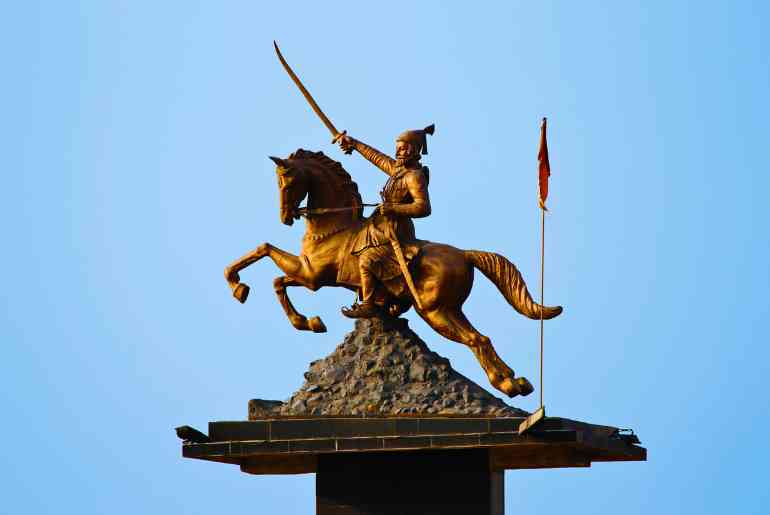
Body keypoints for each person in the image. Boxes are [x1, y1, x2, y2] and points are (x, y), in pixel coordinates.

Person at [336, 125, 434, 318]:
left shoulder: (414, 177)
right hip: (381, 225)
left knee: (366, 260)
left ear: (414, 150)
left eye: (404, 148)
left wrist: (394, 208)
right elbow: (376, 157)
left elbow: (423, 208)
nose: (399, 151)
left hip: (397, 230)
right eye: (397, 147)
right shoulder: (397, 170)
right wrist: (353, 143)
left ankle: (370, 303)